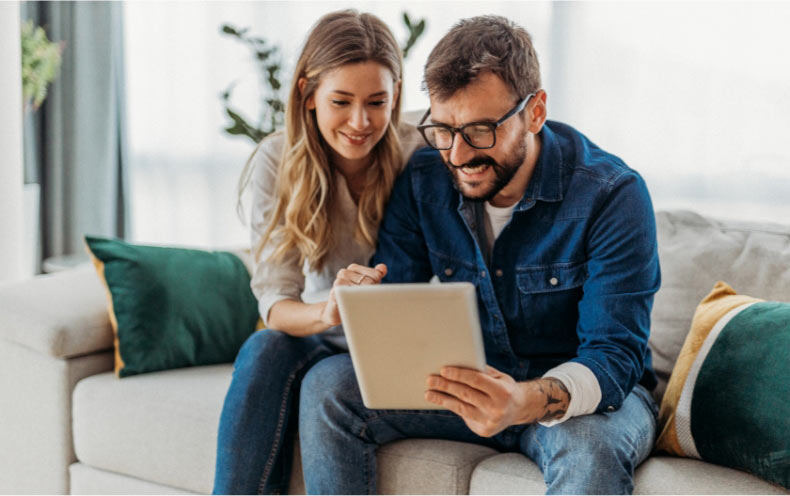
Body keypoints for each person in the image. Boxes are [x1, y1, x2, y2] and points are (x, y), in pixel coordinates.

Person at [297, 15, 661, 495]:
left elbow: (615, 356)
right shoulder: (427, 178)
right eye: (444, 129)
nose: (458, 154)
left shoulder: (612, 194)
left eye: (481, 130)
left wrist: (525, 400)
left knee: (591, 450)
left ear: (534, 112)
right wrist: (363, 299)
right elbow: (392, 297)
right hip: (471, 385)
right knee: (328, 386)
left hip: (579, 399)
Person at [212, 10, 422, 495]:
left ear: (396, 97)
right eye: (341, 101)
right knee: (264, 346)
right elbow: (276, 304)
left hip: (398, 340)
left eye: (378, 102)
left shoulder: (419, 154)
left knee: (320, 379)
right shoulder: (276, 160)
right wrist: (329, 310)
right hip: (325, 330)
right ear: (307, 94)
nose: (360, 122)